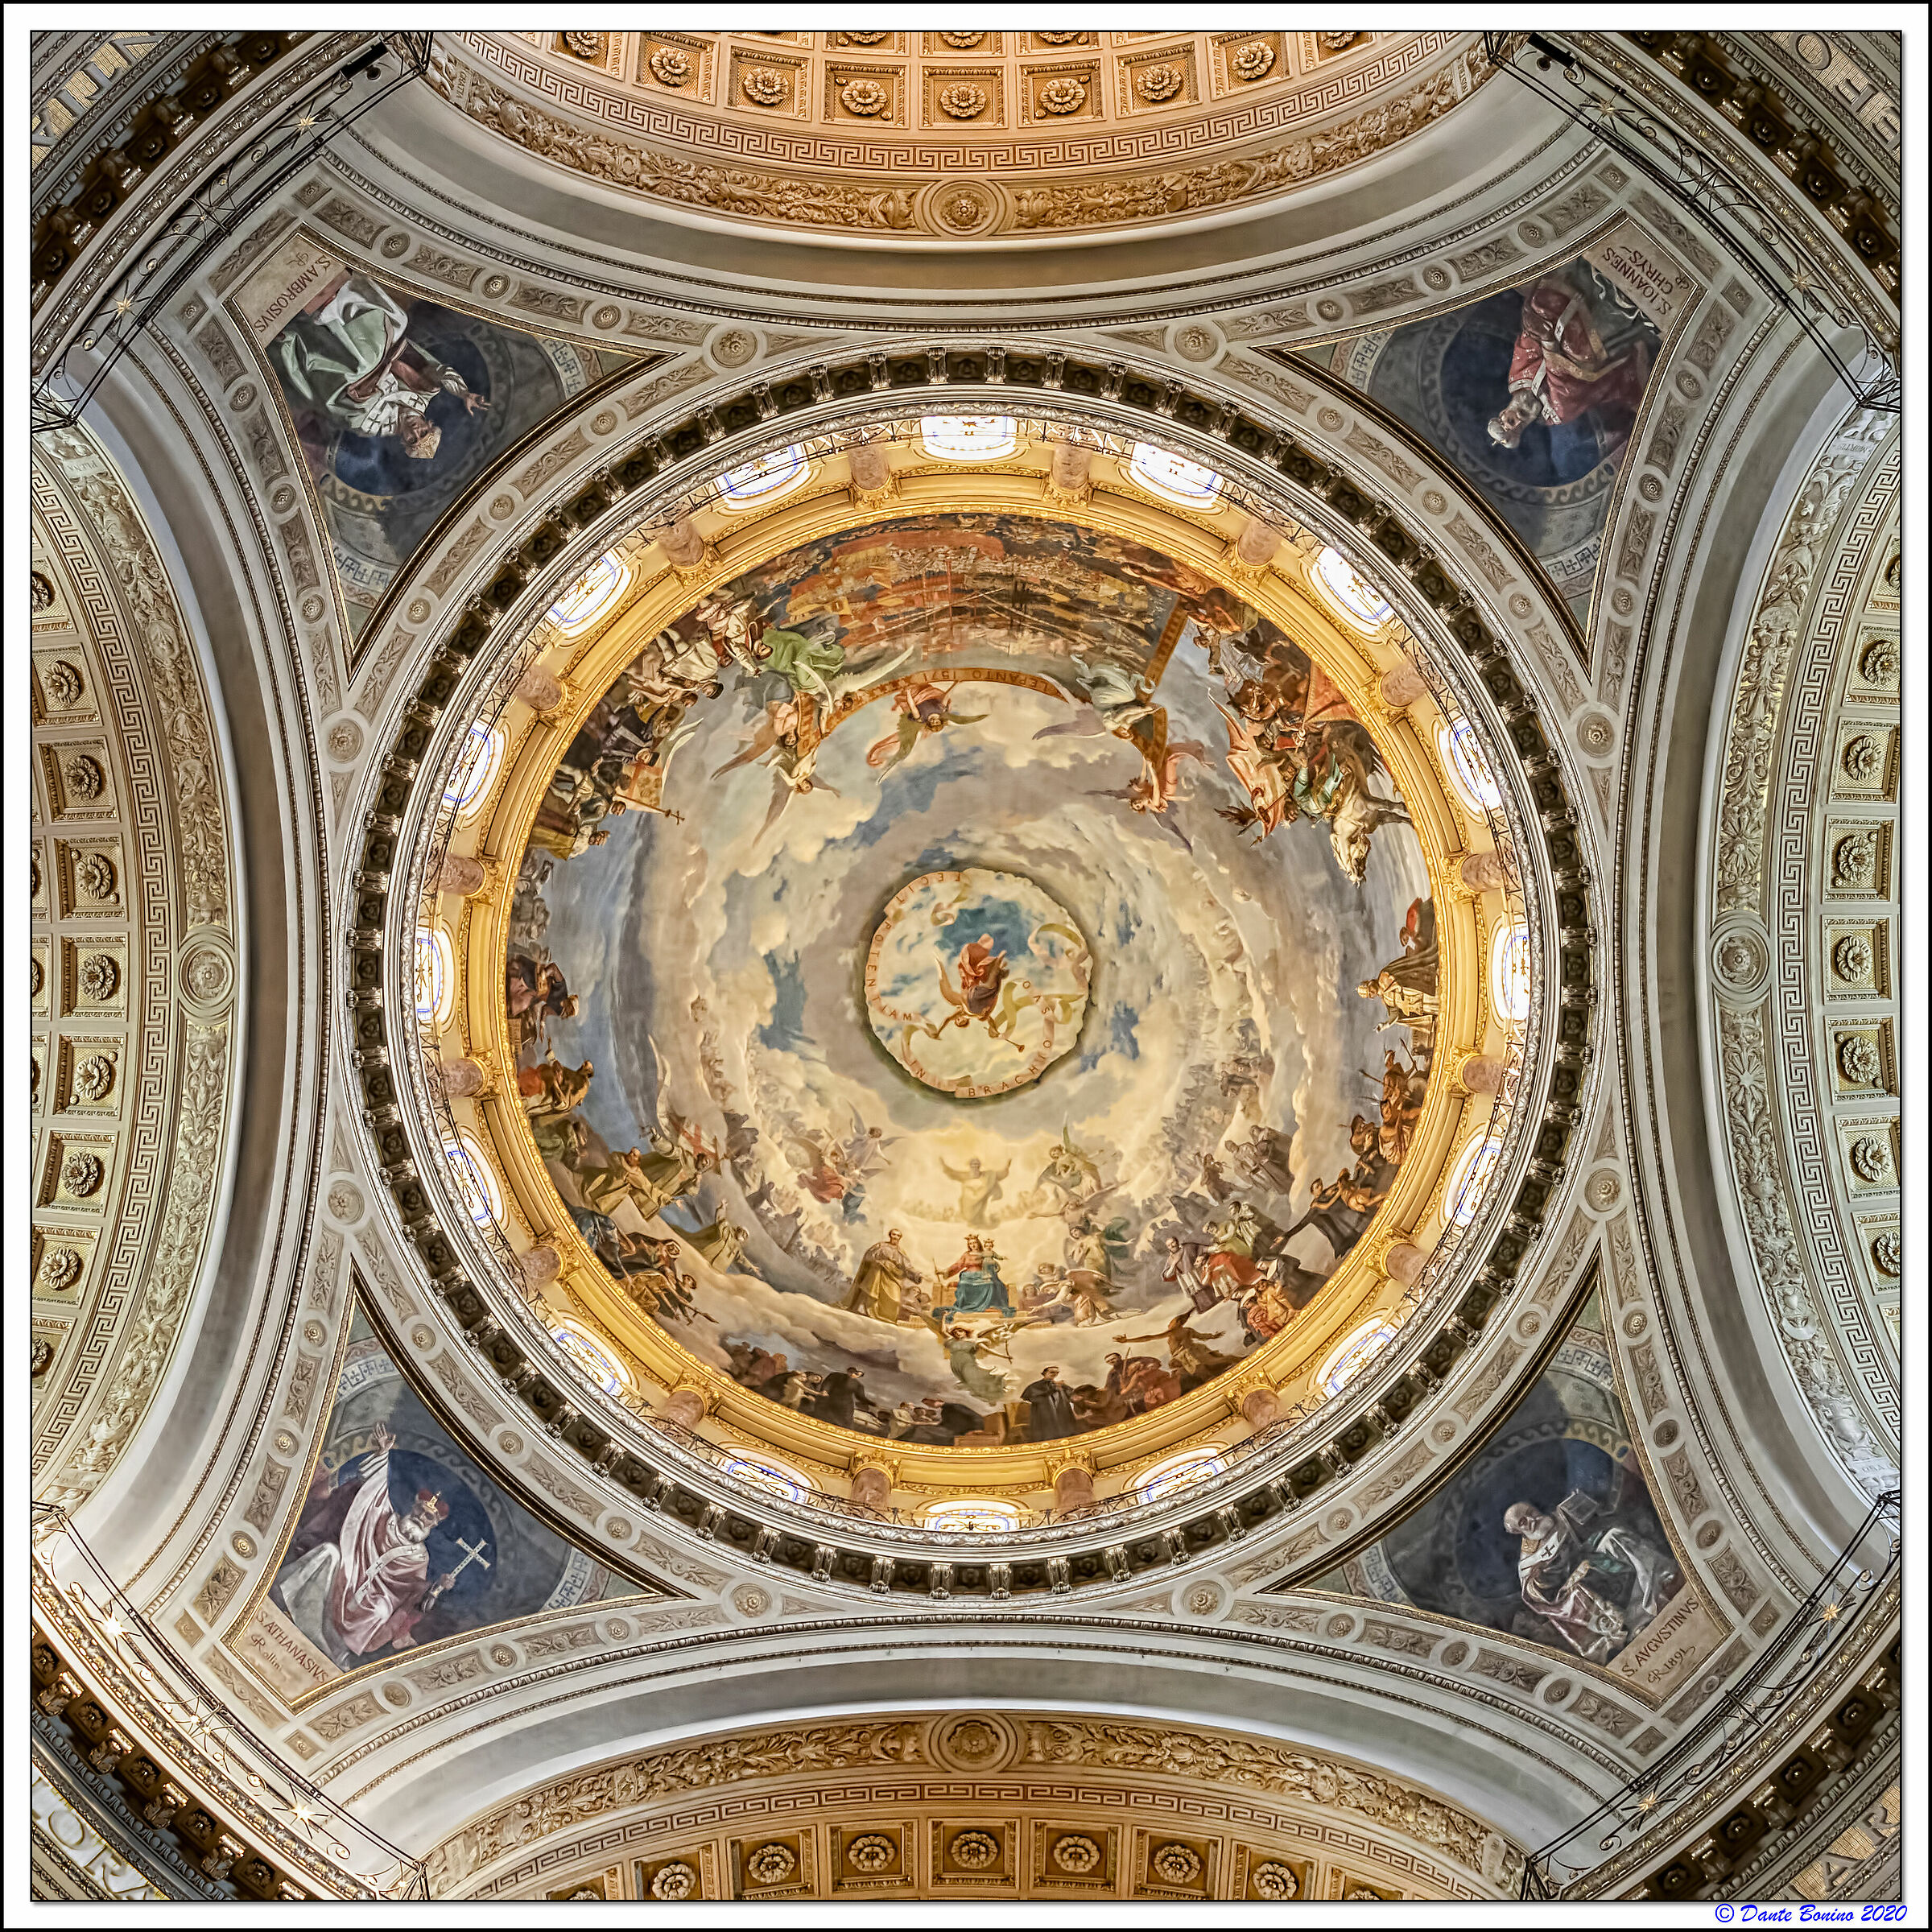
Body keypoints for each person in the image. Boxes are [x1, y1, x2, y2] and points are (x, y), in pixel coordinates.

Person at [272, 1425, 461, 1666]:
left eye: (428, 1517)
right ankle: (281, 1597)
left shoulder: (419, 1557)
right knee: (329, 1553)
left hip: (375, 1597)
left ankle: (334, 1647)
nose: (421, 1517)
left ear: (433, 1524)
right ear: (413, 1507)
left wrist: (438, 1587)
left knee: (380, 1612)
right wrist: (382, 1455)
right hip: (350, 1573)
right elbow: (376, 1493)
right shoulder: (388, 1519)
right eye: (420, 1510)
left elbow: (412, 1590)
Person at [1504, 1495, 1681, 1663]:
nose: (1532, 1520)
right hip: (1571, 1582)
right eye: (1523, 1521)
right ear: (1517, 1531)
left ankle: (1659, 1583)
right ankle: (1634, 1622)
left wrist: (1583, 1513)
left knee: (1614, 1536)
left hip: (1590, 1552)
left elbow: (1597, 1521)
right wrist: (1547, 1574)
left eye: (1531, 1512)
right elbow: (1534, 1593)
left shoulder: (1560, 1516)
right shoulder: (1527, 1562)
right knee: (1583, 1587)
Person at [841, 1228, 925, 1323]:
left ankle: (888, 1318)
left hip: (893, 1276)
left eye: (898, 1235)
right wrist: (878, 1261)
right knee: (871, 1291)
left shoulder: (901, 1252)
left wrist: (917, 1274)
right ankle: (864, 1310)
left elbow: (907, 1267)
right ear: (890, 1235)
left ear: (900, 1238)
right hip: (878, 1273)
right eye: (894, 1234)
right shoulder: (881, 1246)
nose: (895, 1237)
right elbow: (869, 1256)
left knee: (895, 1300)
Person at [1020, 1365, 1080, 1441]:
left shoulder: (1060, 1385)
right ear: (1045, 1373)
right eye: (1052, 1372)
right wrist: (1053, 1389)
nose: (1055, 1374)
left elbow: (1072, 1395)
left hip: (1061, 1413)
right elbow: (1031, 1397)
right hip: (1044, 1413)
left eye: (1057, 1372)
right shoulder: (1035, 1386)